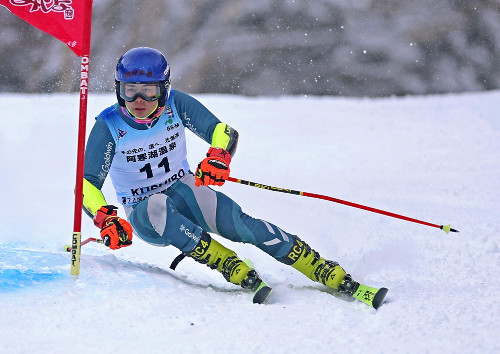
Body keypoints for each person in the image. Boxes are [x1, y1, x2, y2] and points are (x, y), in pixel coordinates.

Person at [83, 47, 380, 306]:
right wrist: (105, 218)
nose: (138, 99)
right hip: (144, 212)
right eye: (129, 89)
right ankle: (227, 262)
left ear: (164, 88)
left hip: (183, 188)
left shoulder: (177, 104)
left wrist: (219, 156)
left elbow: (222, 131)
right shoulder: (108, 125)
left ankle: (321, 268)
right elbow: (87, 184)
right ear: (118, 89)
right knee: (157, 205)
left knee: (241, 225)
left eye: (148, 90)